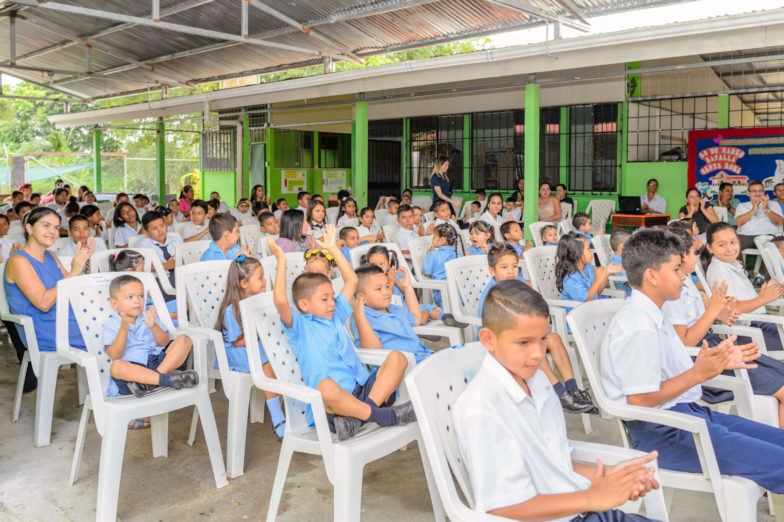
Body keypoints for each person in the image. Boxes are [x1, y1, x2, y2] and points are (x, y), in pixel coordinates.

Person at [599, 227, 784, 501]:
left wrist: (720, 362)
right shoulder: (638, 325)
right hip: (665, 433)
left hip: (689, 414)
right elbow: (639, 399)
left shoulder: (653, 314)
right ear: (651, 275)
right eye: (676, 269)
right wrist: (699, 373)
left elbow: (670, 371)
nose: (684, 276)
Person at [454, 278, 659, 520]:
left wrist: (608, 476)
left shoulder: (538, 381)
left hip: (581, 511)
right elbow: (502, 507)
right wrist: (593, 497)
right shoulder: (482, 408)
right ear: (489, 339)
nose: (538, 353)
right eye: (523, 342)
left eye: (543, 340)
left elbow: (555, 462)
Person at [268, 226, 416, 441]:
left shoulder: (336, 314)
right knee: (325, 387)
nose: (331, 303)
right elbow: (281, 300)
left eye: (332, 297)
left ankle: (358, 419)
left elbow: (352, 281)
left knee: (398, 358)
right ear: (304, 305)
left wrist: (333, 248)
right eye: (324, 299)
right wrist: (281, 261)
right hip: (332, 408)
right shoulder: (299, 326)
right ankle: (386, 416)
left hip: (363, 392)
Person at [667, 223, 784, 427]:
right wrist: (712, 312)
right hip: (706, 359)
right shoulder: (673, 293)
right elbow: (683, 343)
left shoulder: (687, 284)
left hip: (719, 348)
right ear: (680, 256)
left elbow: (708, 314)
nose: (698, 256)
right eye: (694, 251)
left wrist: (717, 311)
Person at [478, 243, 597, 414]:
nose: (511, 271)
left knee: (553, 338)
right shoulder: (492, 296)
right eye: (504, 267)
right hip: (500, 343)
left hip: (521, 336)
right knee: (535, 344)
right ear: (492, 271)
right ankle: (559, 393)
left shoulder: (516, 284)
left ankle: (573, 390)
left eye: (514, 267)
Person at [214, 255, 285, 439]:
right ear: (244, 283)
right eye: (260, 277)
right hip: (237, 352)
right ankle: (278, 418)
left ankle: (299, 409)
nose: (264, 281)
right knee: (267, 363)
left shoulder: (261, 301)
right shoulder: (232, 310)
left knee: (282, 355)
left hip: (256, 346)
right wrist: (262, 333)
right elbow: (237, 342)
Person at [4, 208, 91, 358]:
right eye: (46, 225)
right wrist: (73, 272)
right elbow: (43, 303)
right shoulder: (18, 261)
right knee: (112, 335)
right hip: (47, 328)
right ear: (29, 228)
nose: (53, 232)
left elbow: (73, 290)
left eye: (56, 228)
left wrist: (81, 269)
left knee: (122, 324)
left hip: (65, 317)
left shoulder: (50, 255)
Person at [104, 274, 197, 397]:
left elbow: (163, 342)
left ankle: (150, 383)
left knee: (185, 340)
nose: (137, 300)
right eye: (130, 297)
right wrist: (123, 330)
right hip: (133, 373)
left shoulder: (149, 315)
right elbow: (114, 355)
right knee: (116, 367)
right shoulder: (112, 324)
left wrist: (153, 326)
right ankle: (165, 380)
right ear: (114, 304)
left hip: (158, 362)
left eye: (141, 296)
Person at [702, 221, 784, 351]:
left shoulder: (730, 264)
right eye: (722, 245)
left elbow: (740, 297)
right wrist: (763, 299)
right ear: (710, 248)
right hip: (752, 332)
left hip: (761, 322)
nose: (730, 248)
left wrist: (763, 295)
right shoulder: (720, 271)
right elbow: (732, 308)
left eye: (733, 242)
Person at [360, 245, 464, 327]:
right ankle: (422, 321)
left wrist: (395, 280)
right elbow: (384, 301)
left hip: (403, 304)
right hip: (392, 308)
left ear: (388, 263)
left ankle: (445, 317)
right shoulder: (371, 281)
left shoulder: (392, 274)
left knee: (426, 307)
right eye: (374, 265)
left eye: (382, 264)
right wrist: (390, 283)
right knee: (419, 313)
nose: (378, 267)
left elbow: (405, 292)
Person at [351, 264, 434, 363]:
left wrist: (408, 287)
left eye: (387, 286)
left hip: (423, 356)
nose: (386, 292)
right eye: (379, 289)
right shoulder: (364, 319)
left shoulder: (393, 309)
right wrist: (360, 317)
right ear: (361, 298)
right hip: (407, 368)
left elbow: (416, 319)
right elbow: (373, 351)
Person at [556, 233, 622, 307]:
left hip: (591, 310)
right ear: (577, 254)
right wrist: (597, 280)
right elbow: (586, 300)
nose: (591, 252)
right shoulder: (570, 279)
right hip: (577, 315)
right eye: (588, 249)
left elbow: (597, 292)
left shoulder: (588, 268)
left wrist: (607, 273)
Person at [735, 179, 784, 263]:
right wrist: (753, 210)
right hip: (748, 237)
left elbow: (779, 222)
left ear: (763, 192)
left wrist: (766, 208)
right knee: (734, 241)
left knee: (775, 245)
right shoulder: (742, 206)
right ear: (748, 193)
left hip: (769, 237)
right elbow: (738, 222)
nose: (758, 193)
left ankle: (761, 276)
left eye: (760, 190)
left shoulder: (773, 204)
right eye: (754, 191)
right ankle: (740, 270)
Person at [422, 223, 463, 307]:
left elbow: (426, 273)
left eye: (434, 237)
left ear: (442, 240)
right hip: (460, 295)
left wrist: (427, 256)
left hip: (442, 295)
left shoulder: (432, 254)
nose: (432, 239)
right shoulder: (458, 254)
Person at [137, 210, 181, 287]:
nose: (160, 230)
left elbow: (183, 261)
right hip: (158, 280)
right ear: (146, 232)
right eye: (154, 228)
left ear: (166, 225)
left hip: (178, 277)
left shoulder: (176, 240)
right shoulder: (143, 245)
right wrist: (164, 266)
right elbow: (140, 266)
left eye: (162, 226)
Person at [610, 228, 632, 296]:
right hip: (628, 294)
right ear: (622, 246)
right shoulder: (615, 263)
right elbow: (629, 282)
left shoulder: (625, 258)